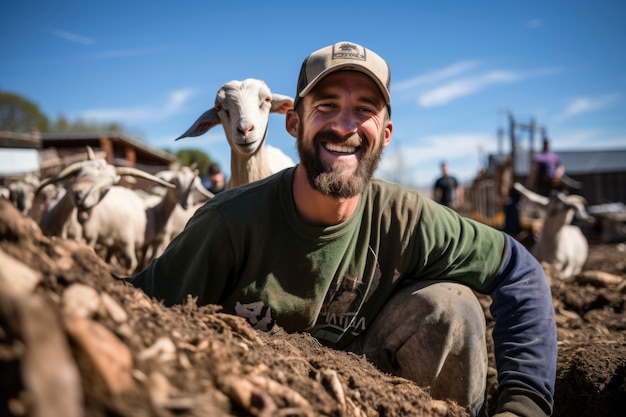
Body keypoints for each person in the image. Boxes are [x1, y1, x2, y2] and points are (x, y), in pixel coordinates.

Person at [128, 41, 556, 417]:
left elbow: (519, 271)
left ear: (385, 134)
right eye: (326, 105)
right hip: (261, 394)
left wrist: (524, 406)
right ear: (294, 123)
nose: (344, 126)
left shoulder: (404, 218)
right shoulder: (227, 225)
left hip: (370, 385)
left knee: (452, 306)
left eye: (364, 110)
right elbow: (133, 305)